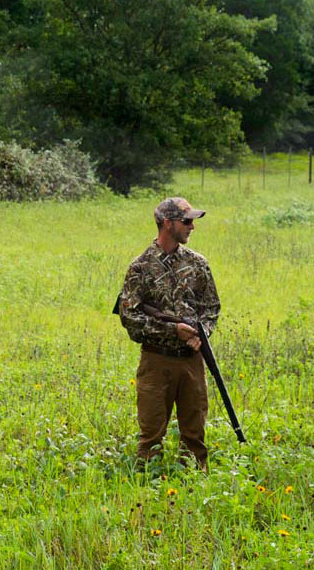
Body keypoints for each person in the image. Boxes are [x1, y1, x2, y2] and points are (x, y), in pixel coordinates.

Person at [117, 197, 221, 468]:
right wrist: (172, 330)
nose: (192, 227)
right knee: (151, 436)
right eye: (186, 221)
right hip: (156, 361)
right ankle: (148, 489)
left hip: (191, 360)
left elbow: (211, 308)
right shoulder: (140, 267)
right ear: (167, 223)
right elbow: (130, 317)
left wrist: (201, 334)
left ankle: (193, 484)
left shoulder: (198, 264)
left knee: (194, 434)